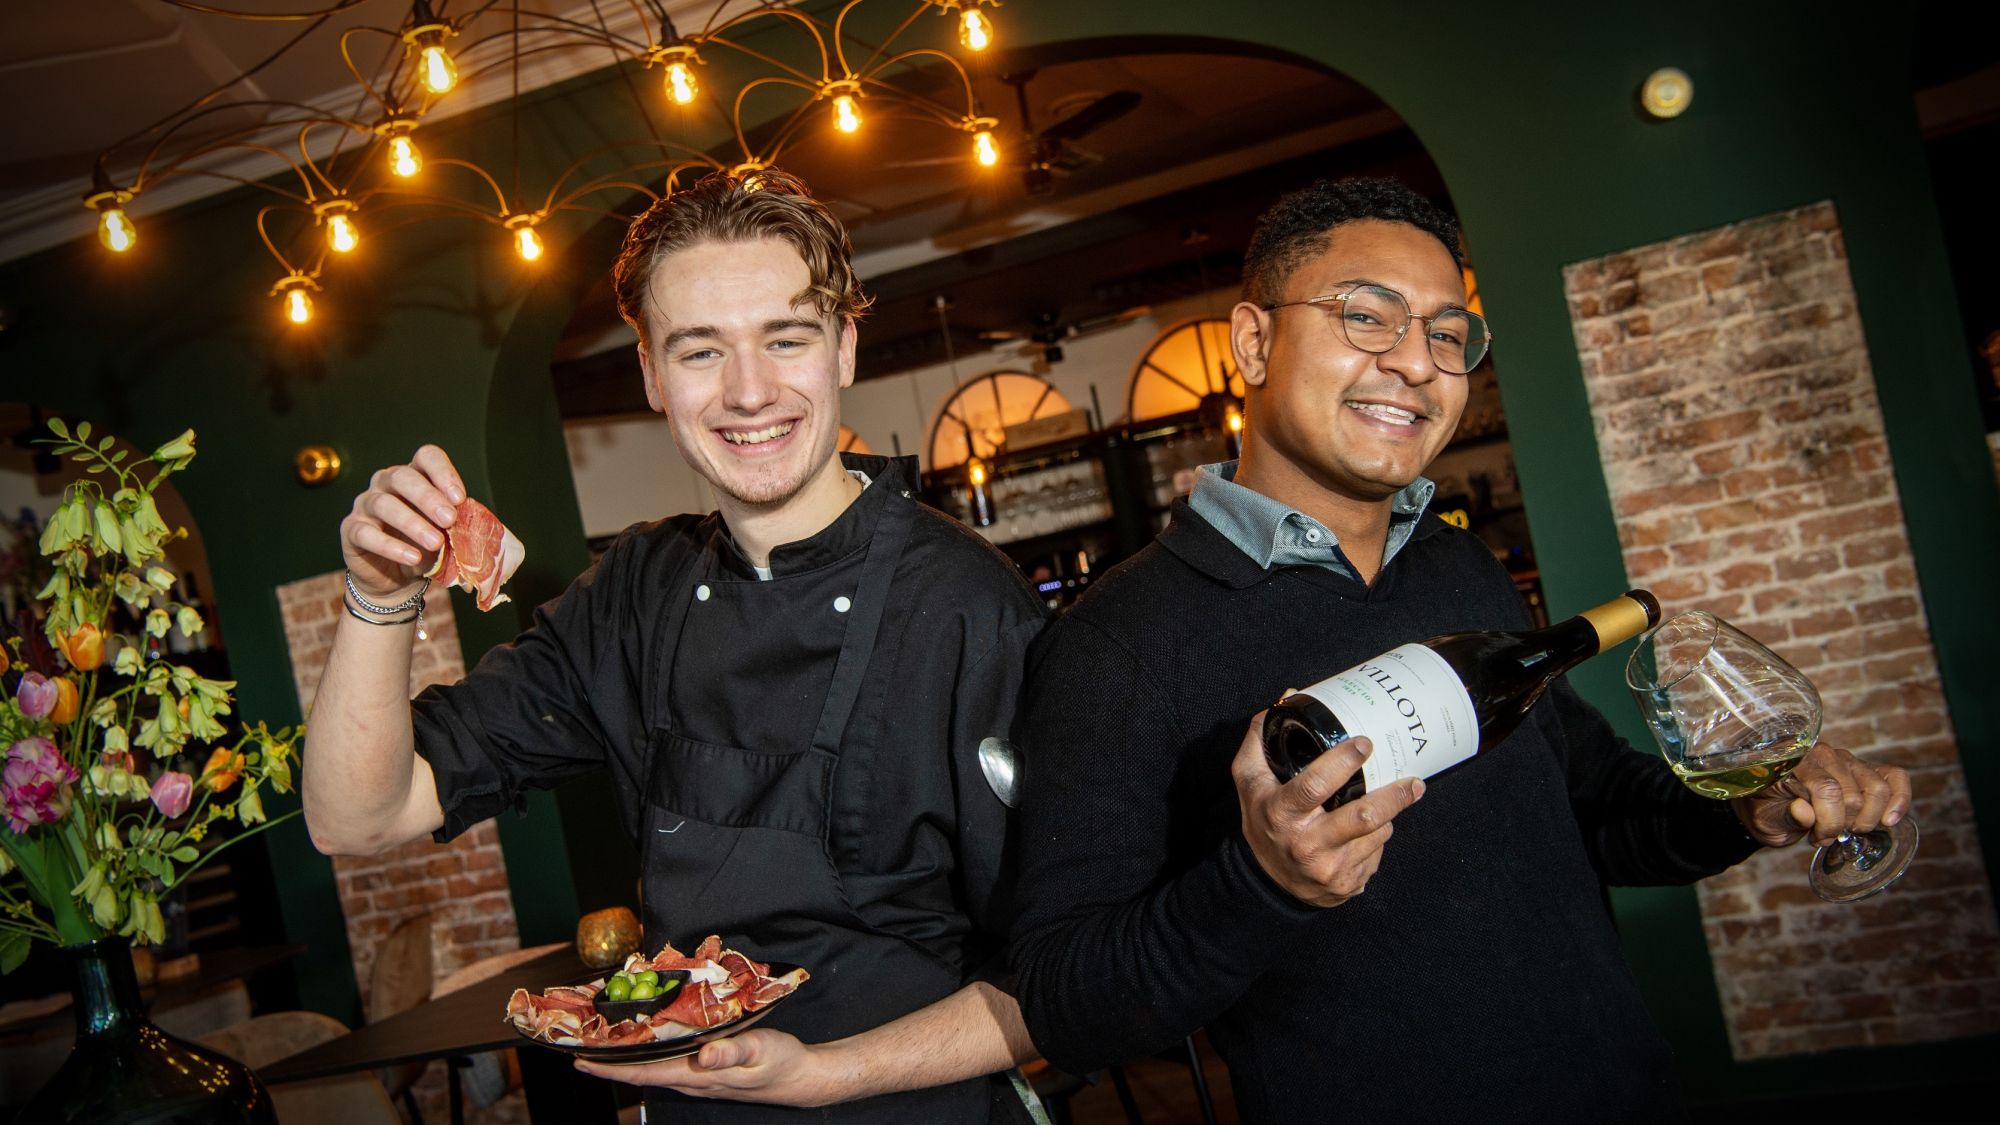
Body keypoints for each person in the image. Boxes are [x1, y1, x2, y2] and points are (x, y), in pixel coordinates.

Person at [1005, 177, 1911, 1123]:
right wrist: (1261, 882)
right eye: (1368, 317)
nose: (1416, 363)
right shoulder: (1117, 641)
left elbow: (1595, 809)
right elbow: (1073, 1003)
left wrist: (1746, 809)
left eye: (1446, 333)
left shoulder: (1459, 569)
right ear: (1254, 342)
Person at [305, 169, 1044, 1122]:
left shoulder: (967, 607)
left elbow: (1070, 979)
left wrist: (828, 1075)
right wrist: (376, 597)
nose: (748, 391)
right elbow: (355, 817)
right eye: (701, 351)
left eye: (786, 338)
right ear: (651, 374)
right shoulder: (631, 599)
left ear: (844, 349)